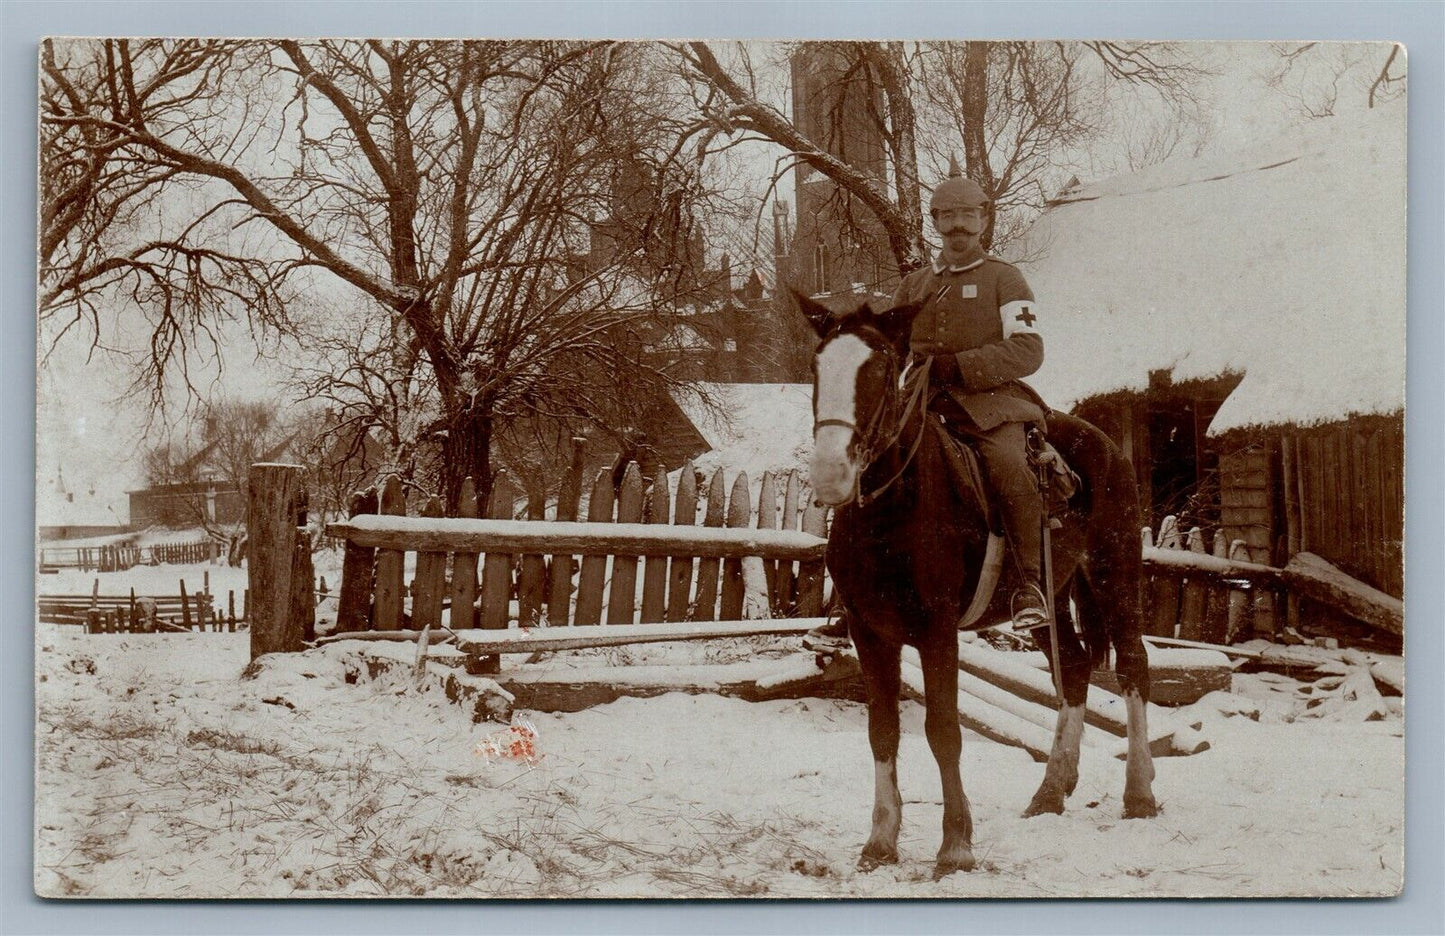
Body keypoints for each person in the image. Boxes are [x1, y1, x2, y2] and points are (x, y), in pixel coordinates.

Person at [898, 156, 1050, 632]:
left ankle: (1030, 584)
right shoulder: (914, 285)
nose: (957, 226)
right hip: (918, 405)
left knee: (1009, 468)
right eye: (947, 216)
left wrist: (959, 365)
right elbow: (891, 348)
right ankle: (850, 598)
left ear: (984, 220)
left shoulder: (1006, 279)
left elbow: (1028, 349)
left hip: (990, 406)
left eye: (967, 216)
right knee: (866, 465)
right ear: (935, 223)